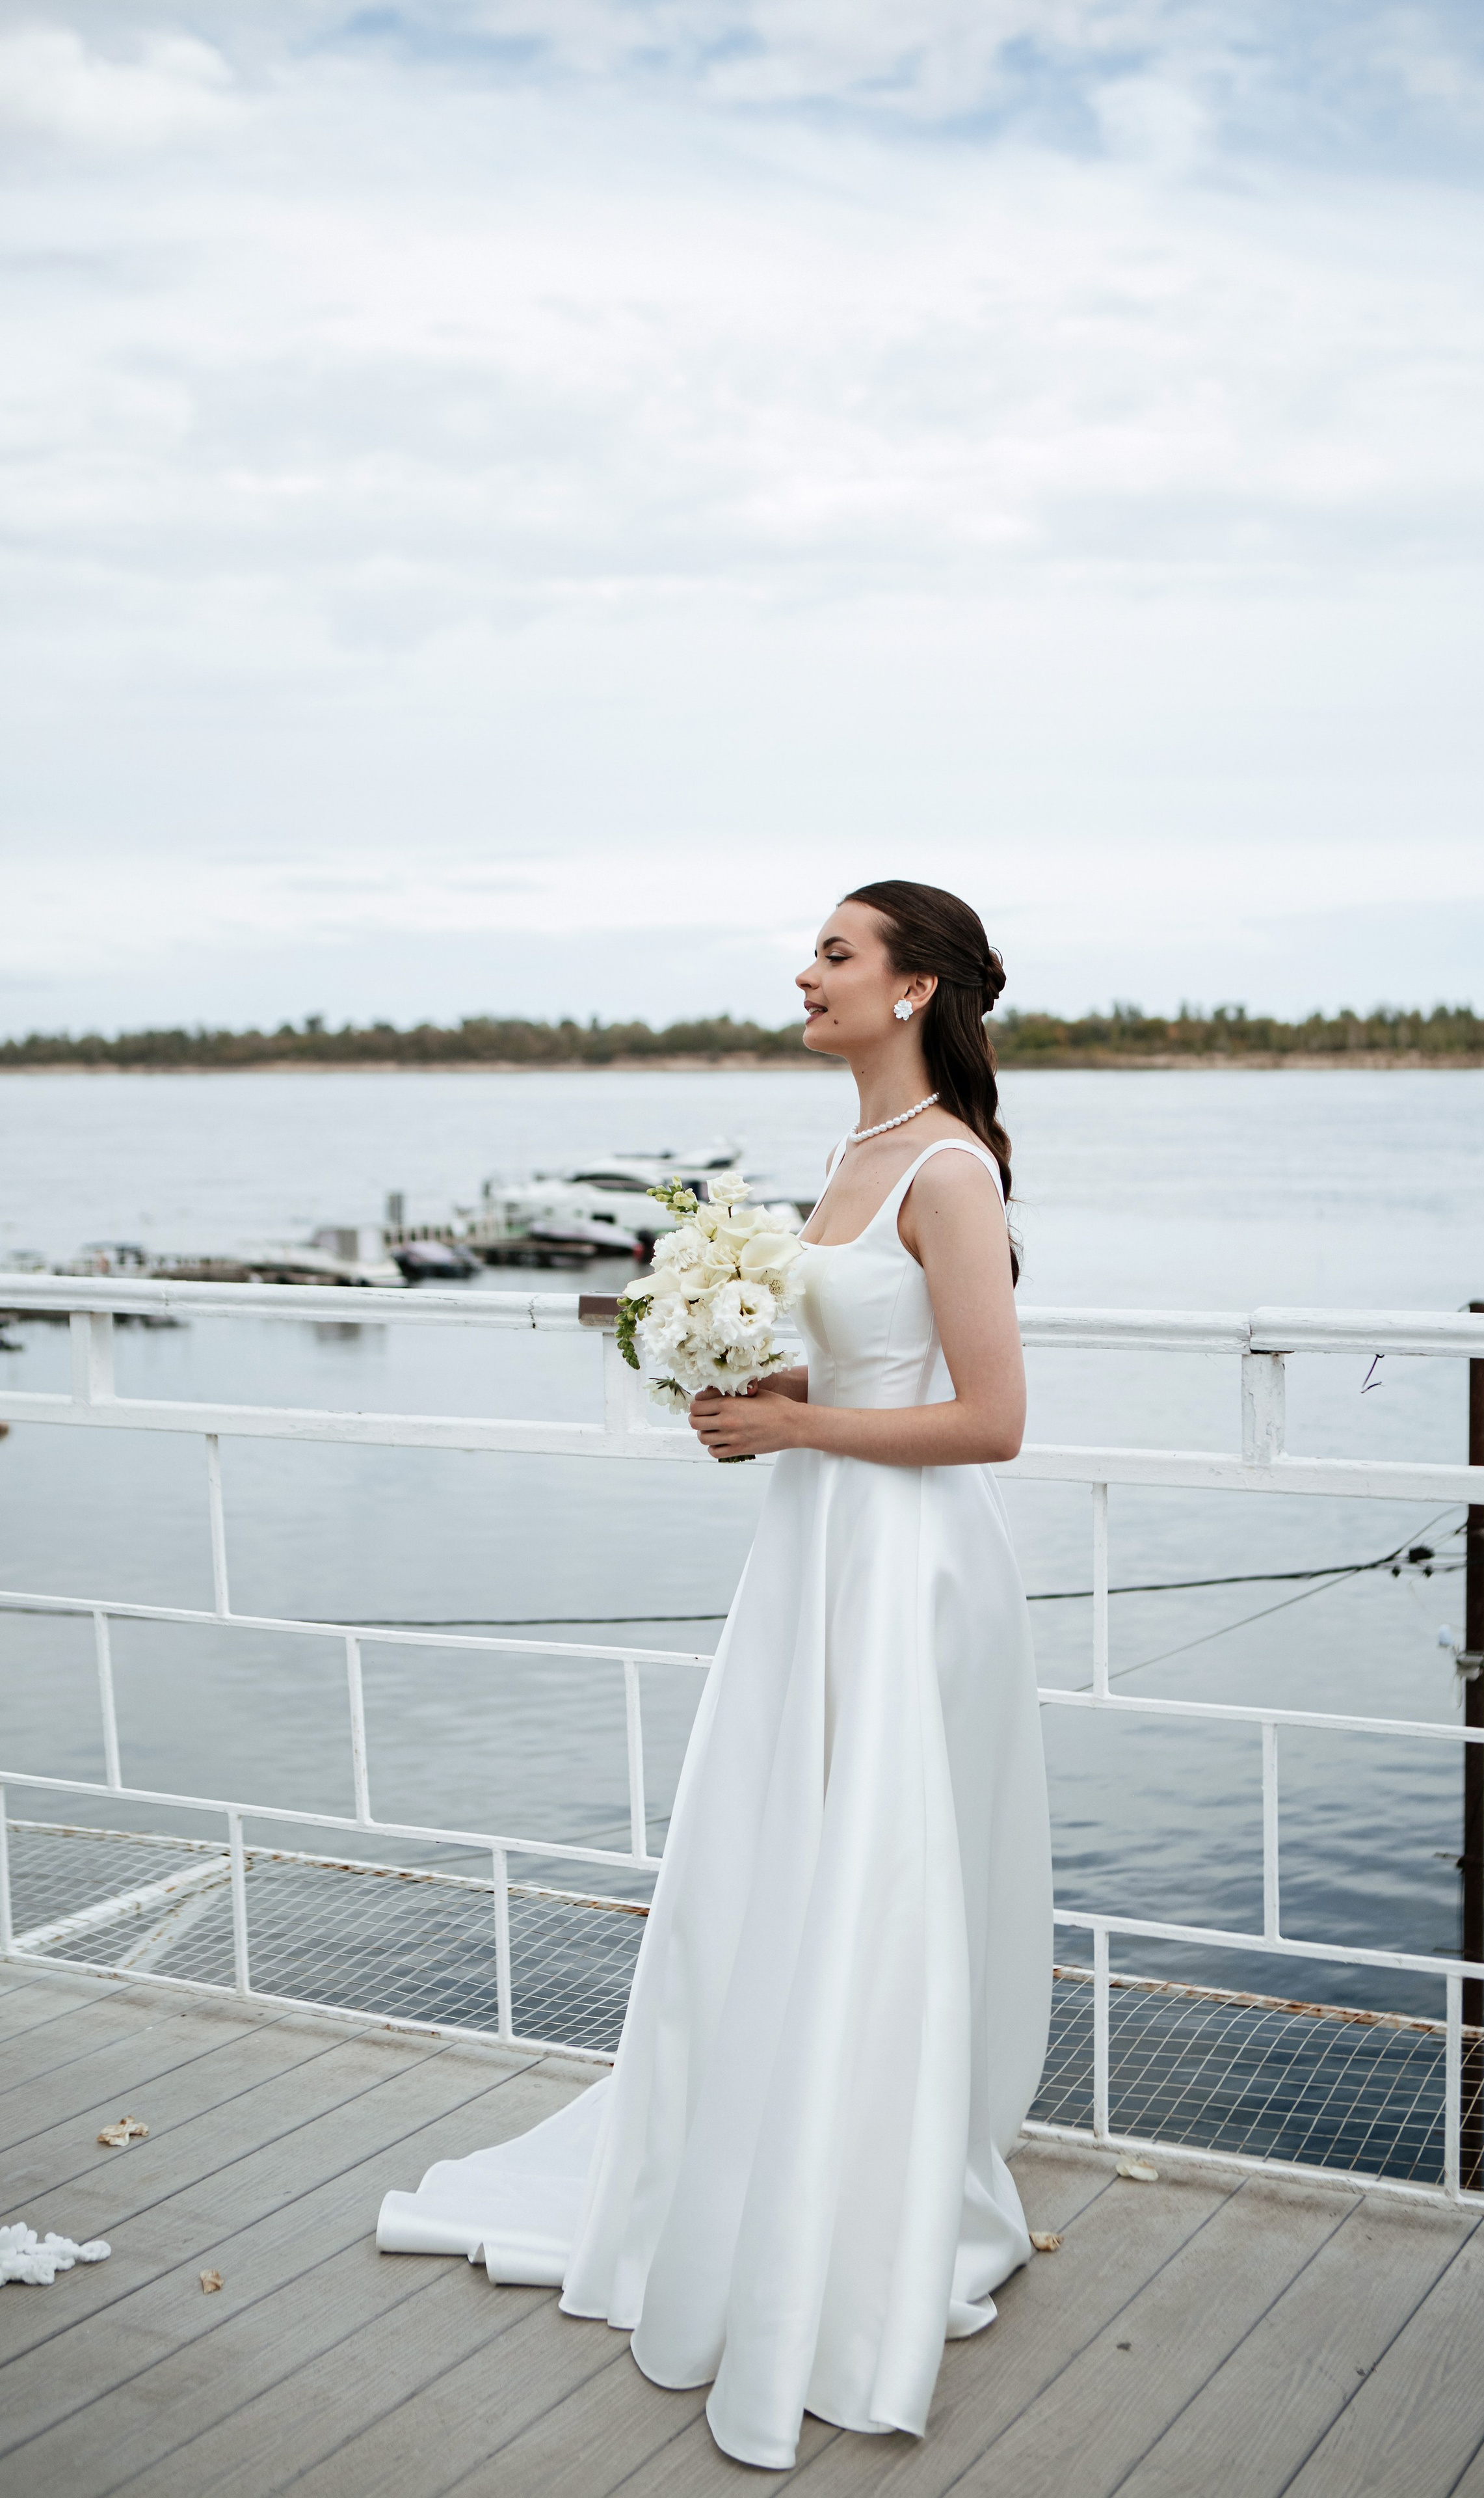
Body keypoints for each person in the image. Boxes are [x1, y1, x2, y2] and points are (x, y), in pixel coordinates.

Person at [376, 880, 1054, 2469]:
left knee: (877, 1873)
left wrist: (797, 1423)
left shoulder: (948, 1167)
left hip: (903, 1568)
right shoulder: (849, 1157)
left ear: (911, 991)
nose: (803, 973)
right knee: (785, 1859)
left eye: (835, 952)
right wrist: (767, 1377)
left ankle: (864, 2193)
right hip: (816, 1552)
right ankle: (768, 2149)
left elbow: (994, 1417)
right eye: (811, 949)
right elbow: (875, 1361)